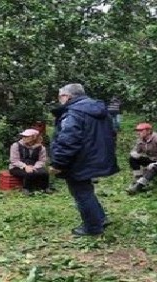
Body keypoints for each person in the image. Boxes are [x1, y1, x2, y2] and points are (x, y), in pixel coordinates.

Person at [49, 83, 119, 236]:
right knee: (86, 189)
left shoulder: (73, 113)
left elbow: (68, 140)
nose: (59, 100)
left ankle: (93, 228)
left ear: (67, 96)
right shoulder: (100, 110)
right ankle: (100, 218)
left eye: (60, 97)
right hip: (95, 157)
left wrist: (58, 163)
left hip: (79, 159)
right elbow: (112, 133)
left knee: (81, 192)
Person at [126, 123, 157, 195]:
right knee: (133, 159)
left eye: (141, 130)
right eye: (137, 131)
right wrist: (133, 153)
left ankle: (138, 187)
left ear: (148, 131)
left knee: (154, 167)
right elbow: (136, 150)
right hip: (153, 159)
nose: (138, 132)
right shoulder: (141, 139)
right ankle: (138, 179)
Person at [9, 128, 52, 196]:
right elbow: (14, 160)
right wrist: (25, 166)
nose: (24, 137)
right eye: (23, 136)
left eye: (26, 136)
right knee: (29, 173)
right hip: (17, 167)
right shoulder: (16, 145)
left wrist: (35, 167)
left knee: (44, 172)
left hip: (34, 166)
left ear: (34, 137)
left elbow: (42, 160)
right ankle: (26, 189)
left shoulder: (41, 148)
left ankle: (45, 188)